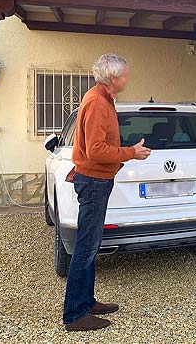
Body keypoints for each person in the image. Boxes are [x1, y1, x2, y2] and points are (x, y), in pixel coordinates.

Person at [63, 53, 151, 332]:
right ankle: (75, 315)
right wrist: (131, 153)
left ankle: (87, 302)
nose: (128, 78)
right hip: (93, 181)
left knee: (91, 244)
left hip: (97, 180)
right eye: (125, 74)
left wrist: (127, 151)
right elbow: (96, 150)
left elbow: (100, 144)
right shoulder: (98, 102)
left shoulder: (104, 99)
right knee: (86, 247)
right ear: (113, 78)